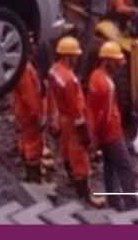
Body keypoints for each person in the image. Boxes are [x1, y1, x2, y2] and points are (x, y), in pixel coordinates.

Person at [47, 36, 103, 207]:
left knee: (66, 150)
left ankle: (72, 180)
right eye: (75, 55)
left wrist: (53, 118)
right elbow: (76, 109)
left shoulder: (54, 71)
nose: (78, 58)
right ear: (67, 56)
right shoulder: (70, 80)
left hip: (63, 118)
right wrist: (83, 131)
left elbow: (51, 97)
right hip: (72, 121)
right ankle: (85, 196)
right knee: (80, 157)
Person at [87, 41, 137, 211]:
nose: (119, 66)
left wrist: (95, 139)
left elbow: (92, 109)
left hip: (103, 136)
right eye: (116, 62)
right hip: (112, 135)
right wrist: (100, 137)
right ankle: (133, 209)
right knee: (127, 171)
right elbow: (105, 116)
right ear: (107, 60)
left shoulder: (94, 76)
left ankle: (113, 203)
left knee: (110, 171)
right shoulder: (108, 84)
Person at [12, 45, 45, 183]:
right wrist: (39, 117)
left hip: (22, 110)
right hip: (29, 114)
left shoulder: (20, 66)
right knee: (34, 145)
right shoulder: (25, 69)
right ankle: (34, 179)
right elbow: (30, 96)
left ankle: (27, 173)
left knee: (25, 141)